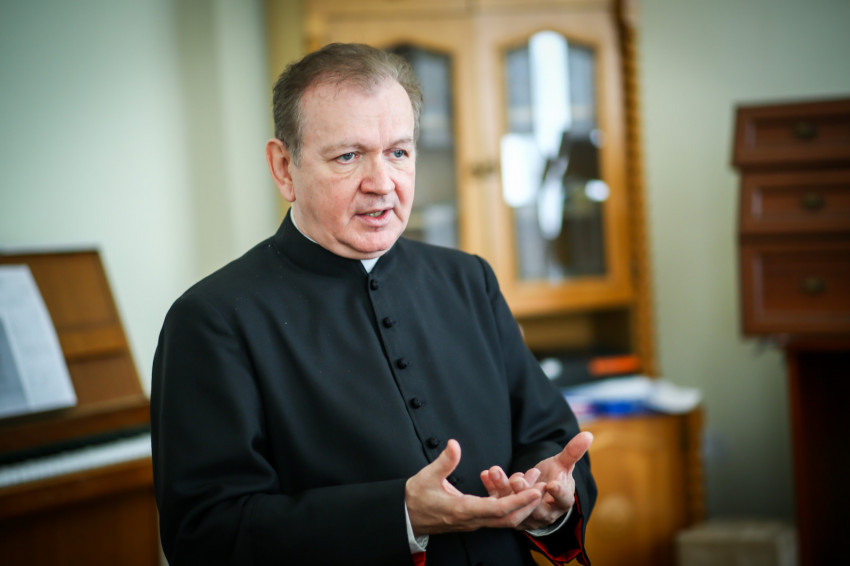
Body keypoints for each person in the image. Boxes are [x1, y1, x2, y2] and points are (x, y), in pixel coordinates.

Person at [151, 42, 596, 566]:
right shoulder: (212, 321)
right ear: (284, 167)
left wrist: (550, 497)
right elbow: (205, 534)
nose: (382, 184)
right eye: (348, 156)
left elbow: (549, 439)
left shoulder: (468, 280)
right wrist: (400, 515)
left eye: (398, 152)